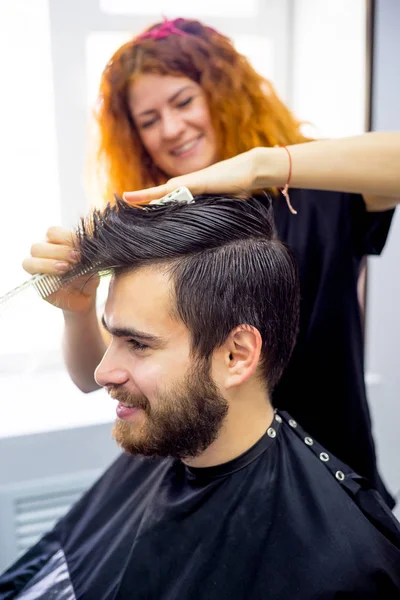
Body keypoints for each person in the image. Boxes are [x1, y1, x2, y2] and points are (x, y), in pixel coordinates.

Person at [22, 18, 399, 506]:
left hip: (328, 467)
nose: (172, 129)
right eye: (149, 120)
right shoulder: (160, 225)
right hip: (207, 478)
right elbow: (96, 376)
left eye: (183, 102)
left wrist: (262, 164)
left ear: (223, 94)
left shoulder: (318, 191)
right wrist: (76, 308)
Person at [2, 196, 400, 599]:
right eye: (113, 336)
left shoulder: (346, 570)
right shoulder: (170, 439)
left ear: (236, 356)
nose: (103, 372)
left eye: (137, 343)